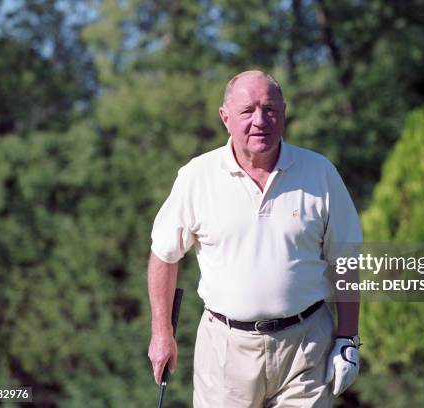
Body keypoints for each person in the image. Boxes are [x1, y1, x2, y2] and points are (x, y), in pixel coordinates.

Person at [147, 70, 362, 407]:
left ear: (284, 113)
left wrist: (348, 338)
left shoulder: (320, 172)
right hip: (225, 352)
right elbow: (164, 254)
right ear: (225, 117)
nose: (260, 120)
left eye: (270, 109)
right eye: (248, 111)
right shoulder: (197, 177)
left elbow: (346, 258)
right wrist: (162, 333)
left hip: (306, 348)